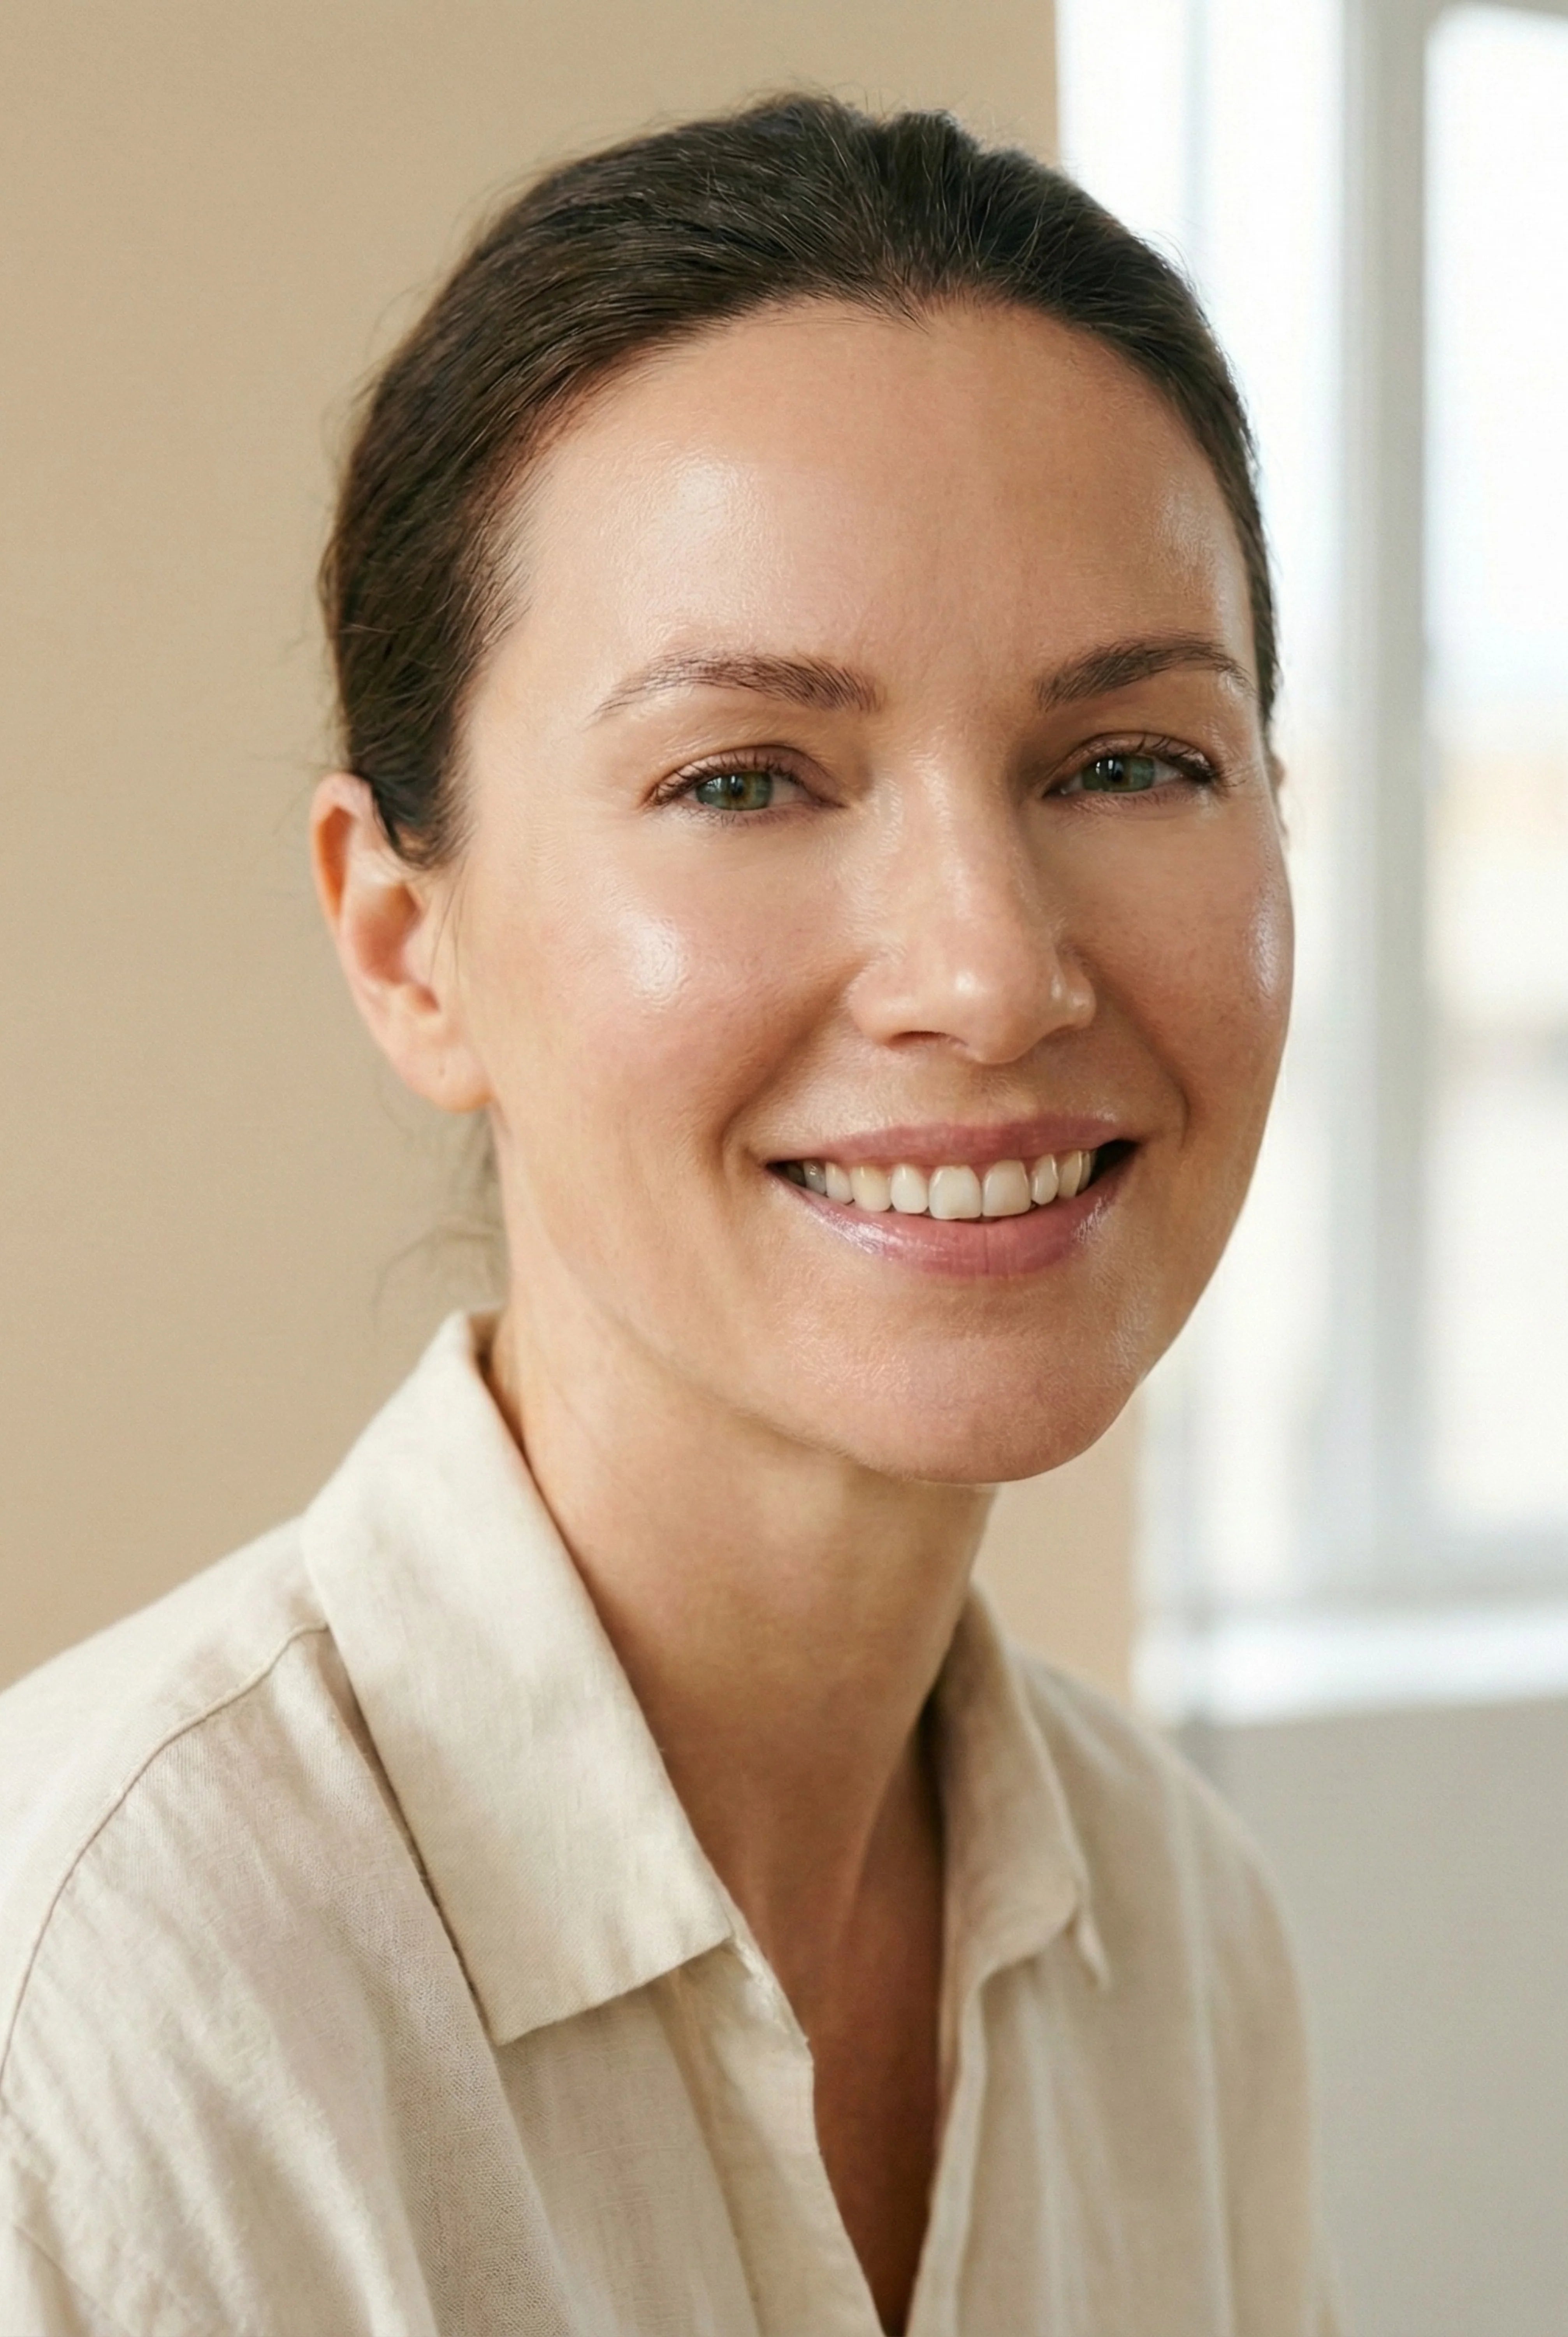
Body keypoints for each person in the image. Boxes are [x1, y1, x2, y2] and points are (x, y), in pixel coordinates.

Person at [0, 97, 1334, 2336]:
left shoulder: (1184, 1940)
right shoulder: (99, 2029)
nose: (990, 971)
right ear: (407, 946)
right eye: (742, 778)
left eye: (1131, 762)